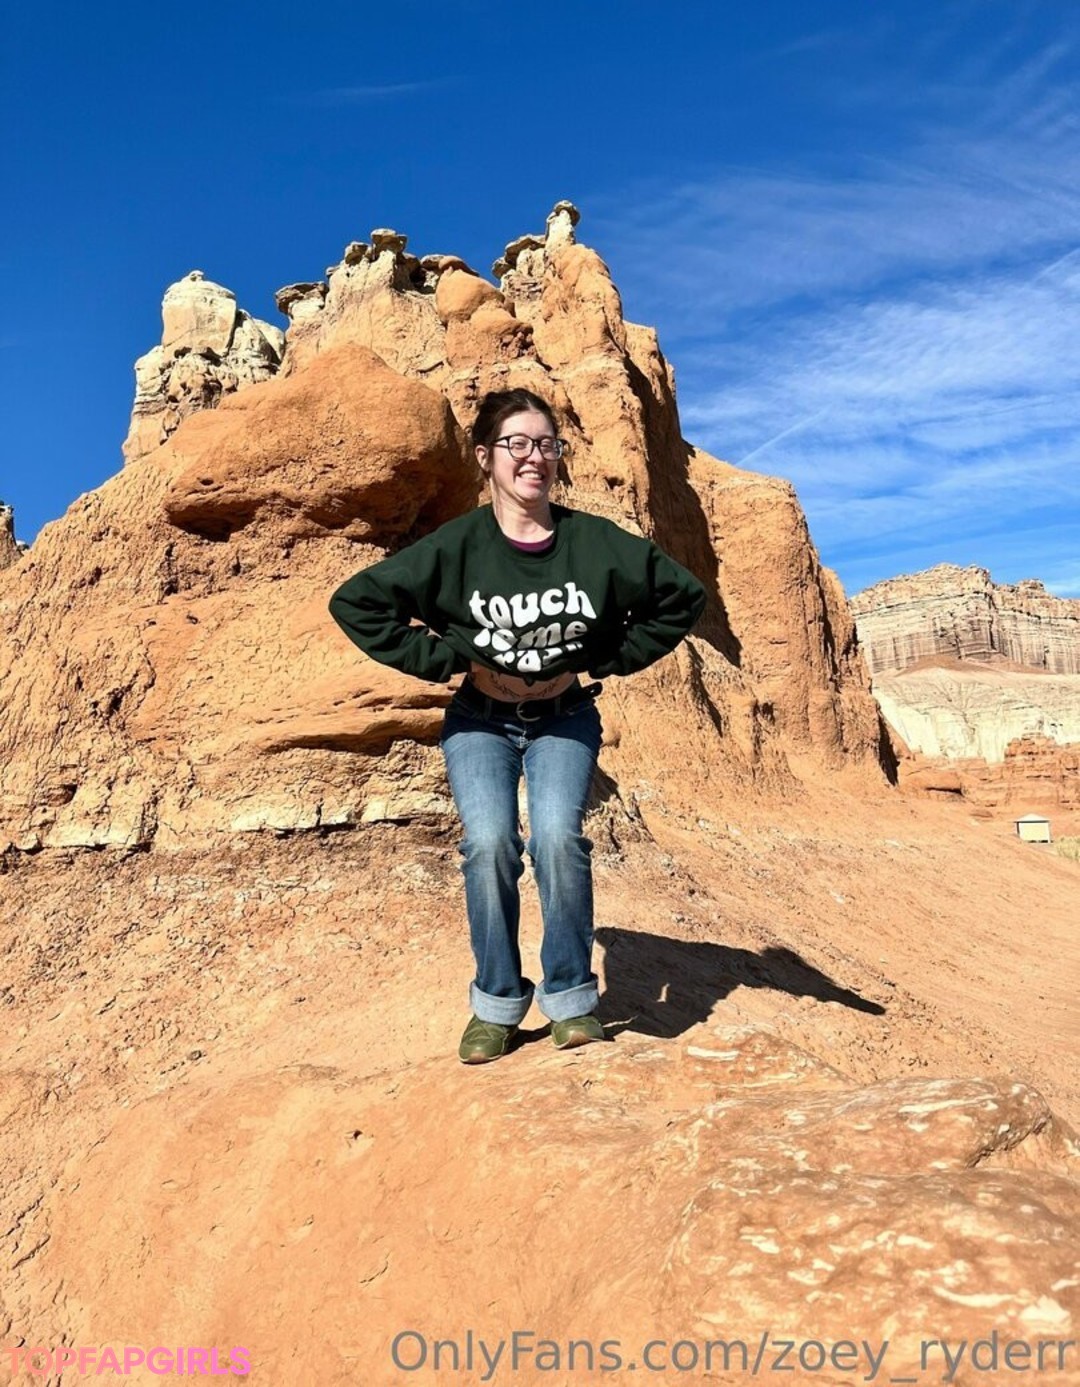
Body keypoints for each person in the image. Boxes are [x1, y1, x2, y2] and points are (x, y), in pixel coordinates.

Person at [329, 388, 706, 1063]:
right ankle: (498, 1006)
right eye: (518, 444)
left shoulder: (594, 543)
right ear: (486, 457)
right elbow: (357, 602)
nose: (535, 457)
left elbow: (681, 597)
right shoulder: (457, 547)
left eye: (547, 444)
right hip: (480, 720)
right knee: (490, 844)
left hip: (564, 716)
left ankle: (571, 999)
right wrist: (447, 660)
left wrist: (608, 658)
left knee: (558, 840)